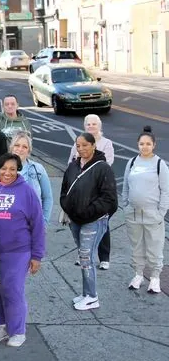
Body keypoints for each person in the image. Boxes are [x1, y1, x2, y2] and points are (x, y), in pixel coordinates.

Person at [0, 154, 45, 349]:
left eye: (12, 168)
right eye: (4, 168)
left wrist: (37, 256)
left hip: (17, 251)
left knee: (11, 290)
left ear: (18, 170)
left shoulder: (27, 192)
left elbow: (38, 224)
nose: (7, 172)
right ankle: (3, 325)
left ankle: (18, 330)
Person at [60, 134, 118, 311]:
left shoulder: (103, 168)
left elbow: (109, 199)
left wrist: (89, 212)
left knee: (86, 257)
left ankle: (92, 297)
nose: (81, 149)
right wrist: (68, 207)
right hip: (75, 220)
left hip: (94, 221)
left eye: (85, 145)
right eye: (78, 145)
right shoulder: (73, 166)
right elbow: (64, 190)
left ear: (93, 145)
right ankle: (86, 293)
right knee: (84, 256)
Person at [121, 127, 169, 294]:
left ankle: (155, 278)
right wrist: (126, 205)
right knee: (136, 247)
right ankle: (138, 275)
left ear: (154, 145)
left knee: (154, 247)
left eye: (148, 144)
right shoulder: (132, 162)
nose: (145, 146)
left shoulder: (159, 164)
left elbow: (165, 191)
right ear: (138, 145)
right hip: (133, 213)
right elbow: (125, 186)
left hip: (152, 214)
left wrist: (160, 212)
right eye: (142, 144)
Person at [68, 114, 116, 268]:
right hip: (82, 193)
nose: (91, 126)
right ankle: (83, 254)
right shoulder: (78, 143)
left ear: (99, 126)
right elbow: (71, 165)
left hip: (99, 191)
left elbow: (106, 163)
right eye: (88, 124)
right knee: (82, 224)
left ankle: (104, 258)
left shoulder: (106, 143)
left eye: (94, 124)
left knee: (102, 224)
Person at [8, 132, 54, 225]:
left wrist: (43, 222)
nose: (20, 149)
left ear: (29, 150)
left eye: (24, 147)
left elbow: (47, 197)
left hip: (33, 222)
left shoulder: (37, 169)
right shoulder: (4, 170)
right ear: (11, 147)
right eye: (17, 145)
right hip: (10, 223)